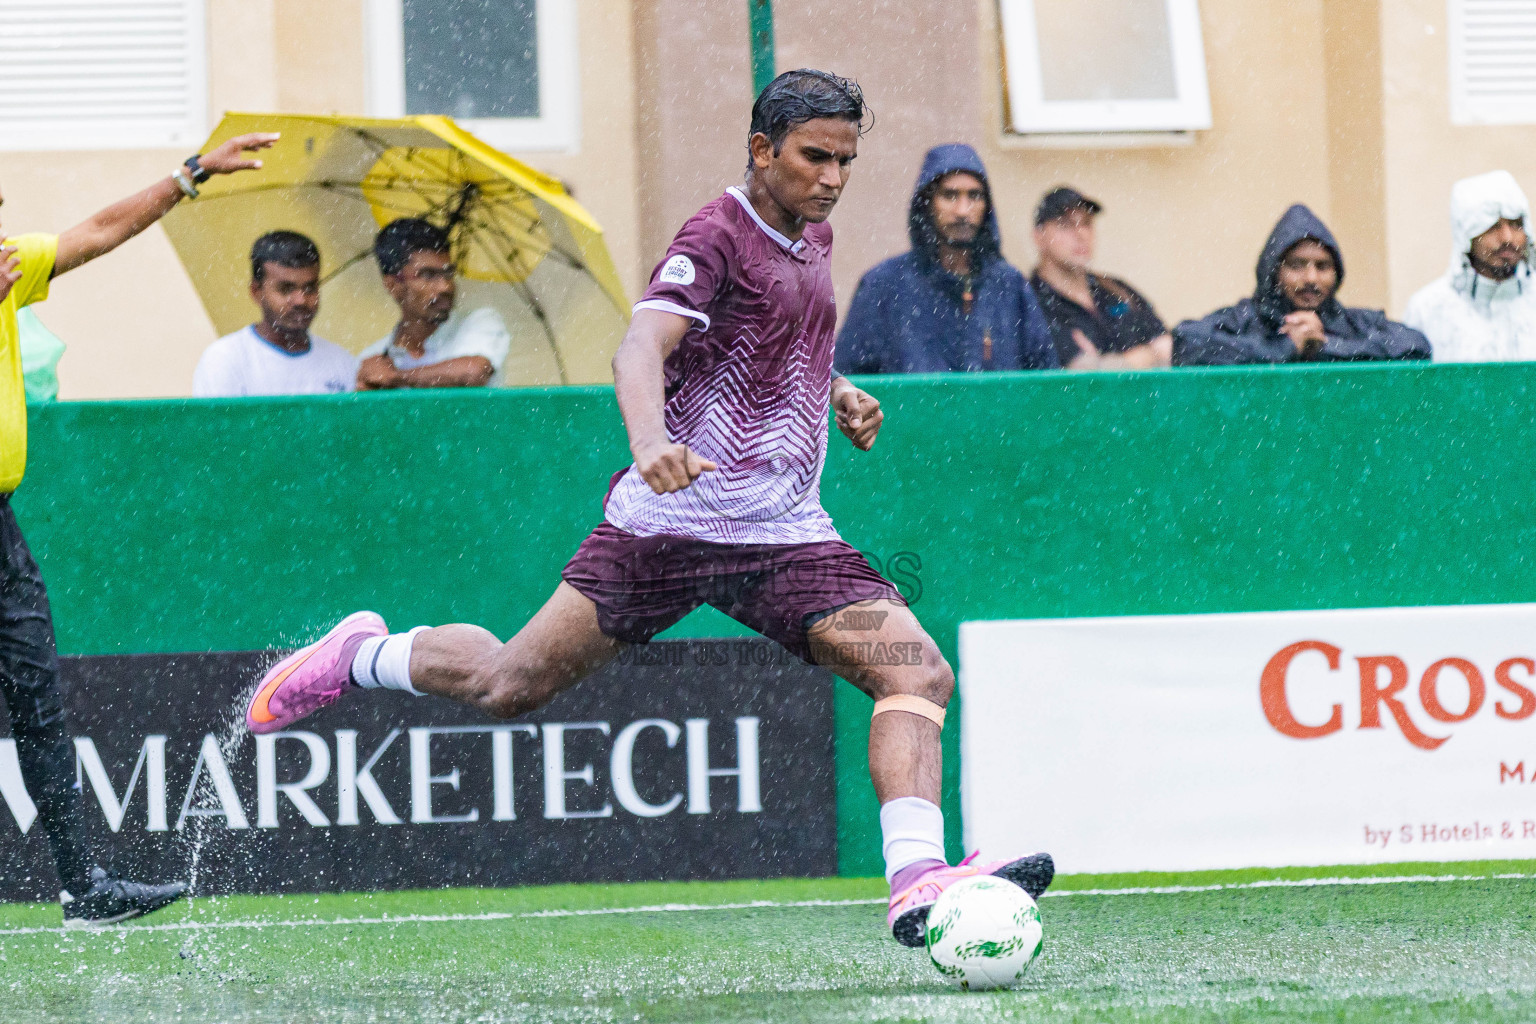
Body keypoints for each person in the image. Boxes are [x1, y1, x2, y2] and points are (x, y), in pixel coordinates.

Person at [245, 70, 1053, 947]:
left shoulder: (812, 237)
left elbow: (776, 343)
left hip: (784, 536)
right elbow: (642, 347)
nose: (830, 176)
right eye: (814, 156)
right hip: (668, 527)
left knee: (917, 671)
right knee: (507, 684)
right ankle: (362, 654)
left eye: (845, 160)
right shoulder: (715, 235)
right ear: (760, 149)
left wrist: (839, 391)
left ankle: (916, 882)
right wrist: (646, 441)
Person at [0, 132, 276, 924]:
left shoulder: (11, 270)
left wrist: (188, 176)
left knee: (38, 707)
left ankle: (83, 887)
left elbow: (97, 231)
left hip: (3, 530)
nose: (3, 222)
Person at [835, 143, 1057, 373]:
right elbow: (847, 383)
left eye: (974, 196)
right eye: (950, 195)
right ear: (927, 204)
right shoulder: (884, 286)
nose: (963, 210)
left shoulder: (1010, 287)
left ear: (986, 206)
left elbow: (1044, 383)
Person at [1174, 204, 1430, 365]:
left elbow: (1415, 346)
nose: (1311, 278)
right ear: (1273, 271)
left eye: (1322, 266)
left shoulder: (1354, 323)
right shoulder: (1244, 319)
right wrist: (1283, 347)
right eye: (1296, 265)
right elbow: (1186, 343)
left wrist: (1327, 346)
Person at [192, 231, 357, 397]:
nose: (300, 300)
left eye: (310, 288)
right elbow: (219, 423)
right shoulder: (225, 360)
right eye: (286, 289)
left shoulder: (342, 362)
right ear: (256, 292)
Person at [355, 219, 510, 389]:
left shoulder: (480, 323)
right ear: (393, 285)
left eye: (448, 273)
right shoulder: (372, 359)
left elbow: (474, 372)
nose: (446, 287)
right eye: (428, 275)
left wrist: (396, 377)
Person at [1030, 187, 1171, 369]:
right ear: (1038, 236)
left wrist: (1113, 364)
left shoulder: (1115, 288)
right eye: (1065, 225)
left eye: (1086, 223)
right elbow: (1080, 379)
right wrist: (1148, 354)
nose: (1080, 234)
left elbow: (1169, 348)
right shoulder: (1030, 301)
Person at [1403, 170, 1536, 362]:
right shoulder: (1428, 310)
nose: (1507, 238)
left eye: (1515, 224)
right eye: (1492, 226)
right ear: (1466, 236)